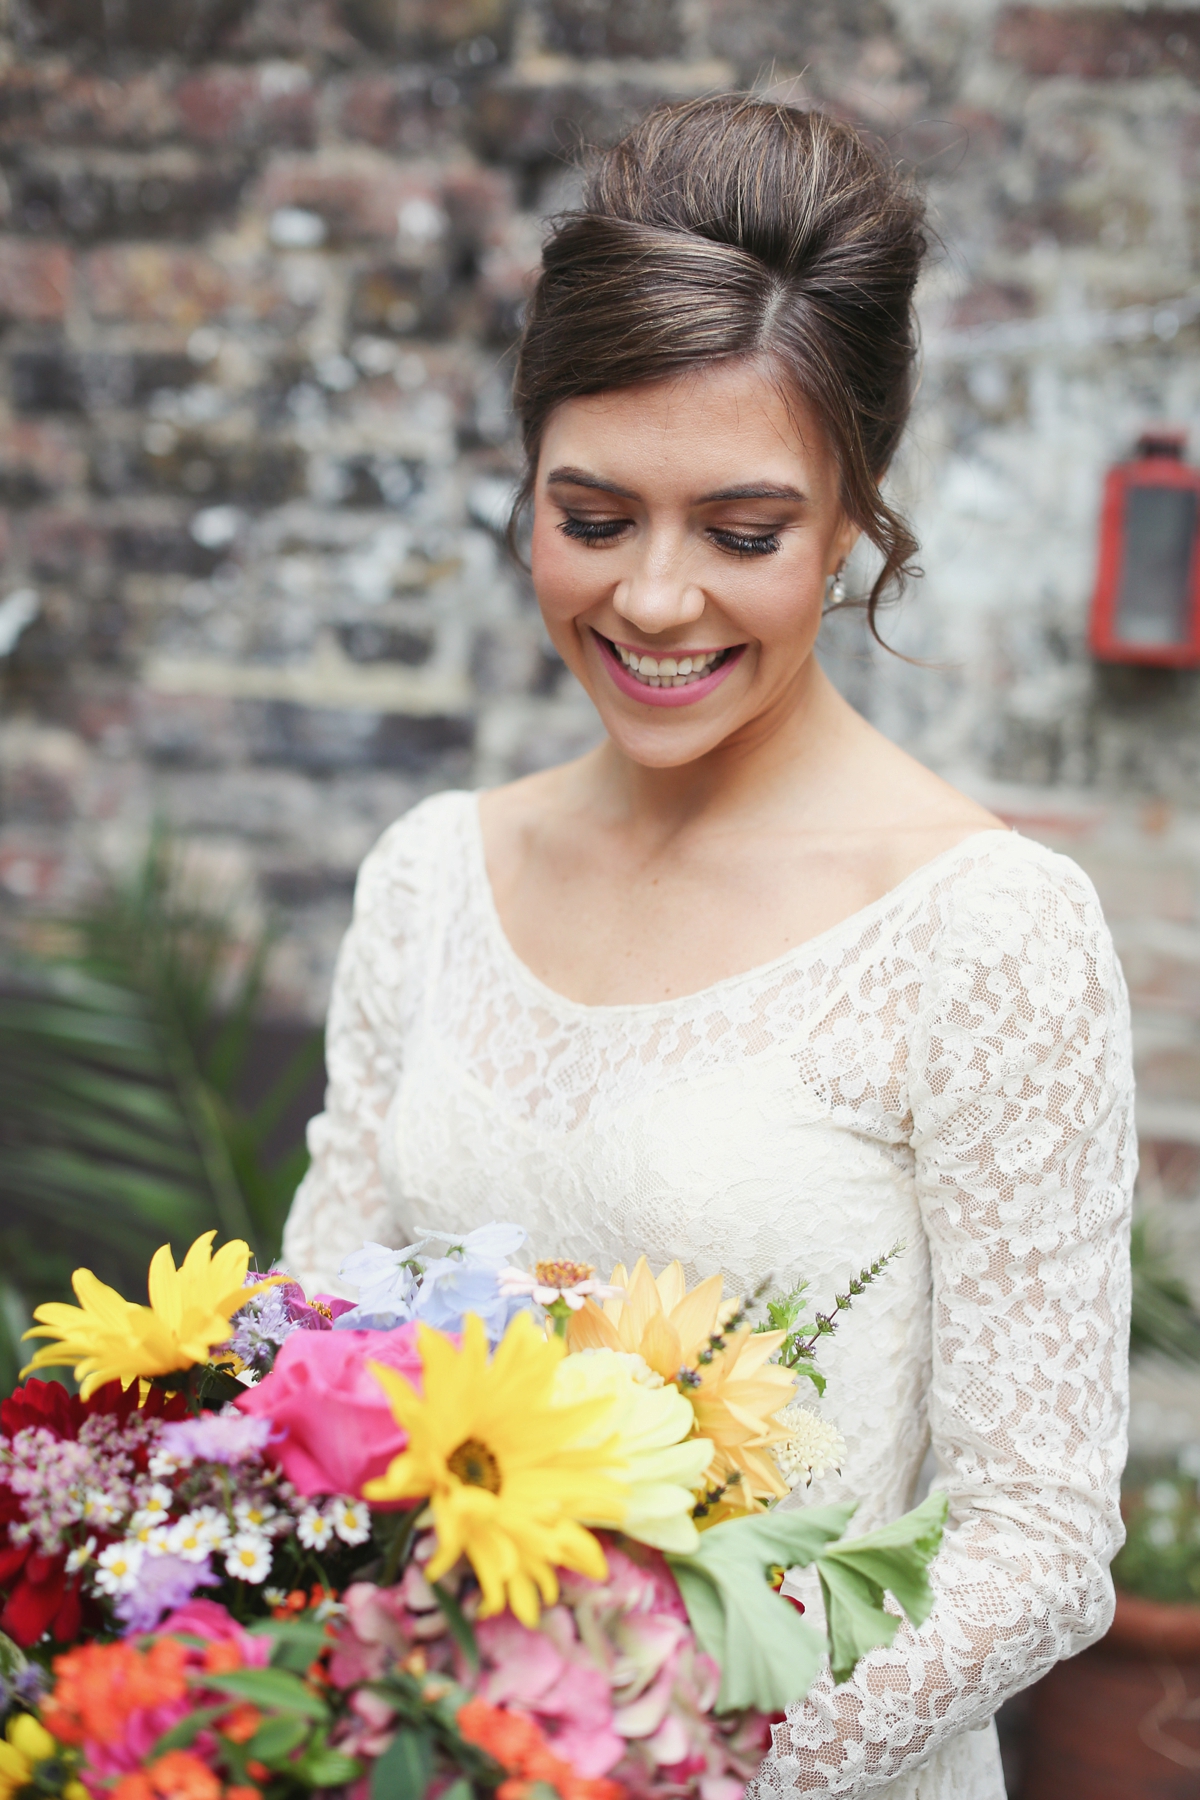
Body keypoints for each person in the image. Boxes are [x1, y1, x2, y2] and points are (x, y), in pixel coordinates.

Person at [283, 96, 1134, 1799]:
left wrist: (684, 1772)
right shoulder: (432, 877)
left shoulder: (985, 930)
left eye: (741, 534)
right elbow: (313, 1357)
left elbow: (1039, 1536)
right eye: (592, 518)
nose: (655, 601)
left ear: (846, 525)